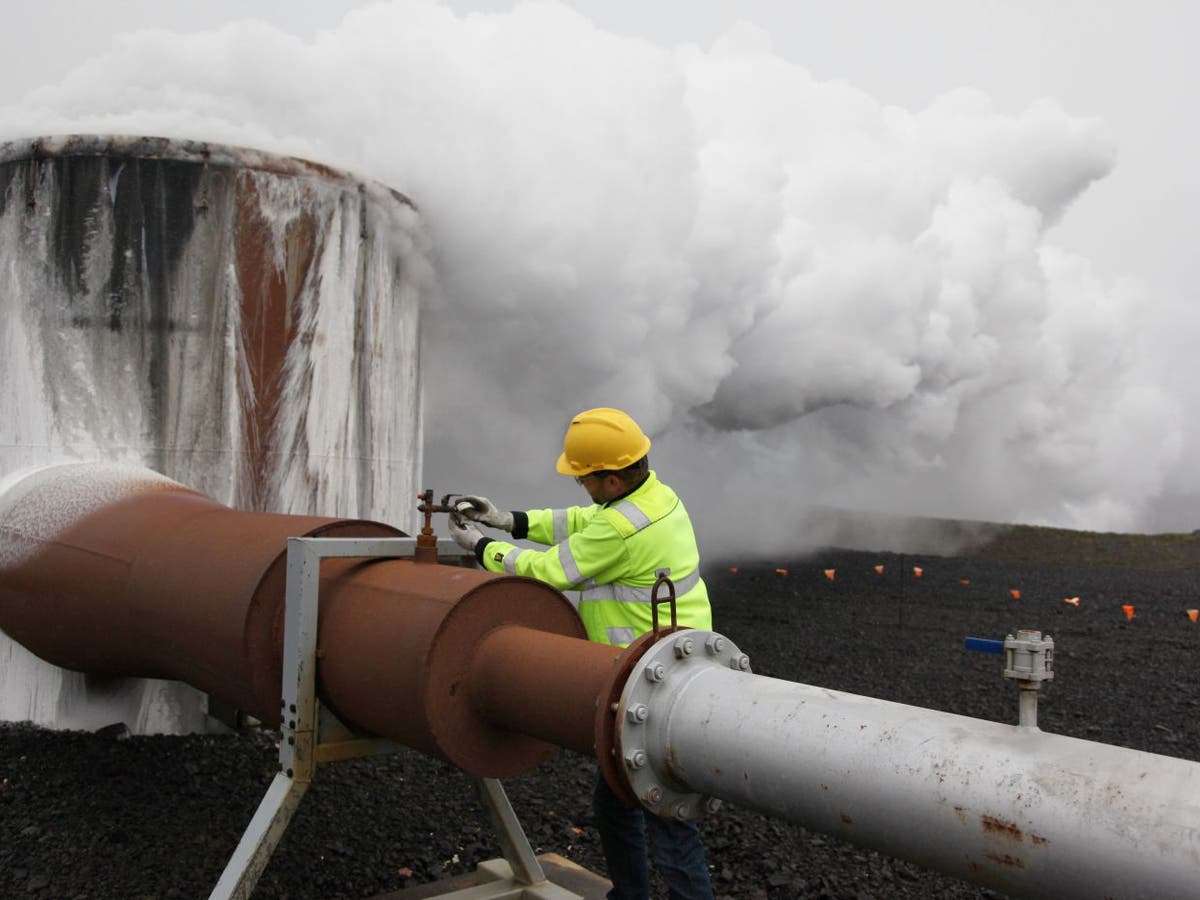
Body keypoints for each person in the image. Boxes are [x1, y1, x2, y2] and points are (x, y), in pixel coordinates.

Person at [448, 407, 715, 900]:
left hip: (651, 682)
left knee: (666, 817)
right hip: (672, 664)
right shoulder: (654, 496)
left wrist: (483, 547)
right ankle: (629, 895)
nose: (581, 489)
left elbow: (552, 571)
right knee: (620, 800)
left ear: (612, 480)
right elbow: (580, 522)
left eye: (584, 480)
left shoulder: (620, 530)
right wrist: (508, 520)